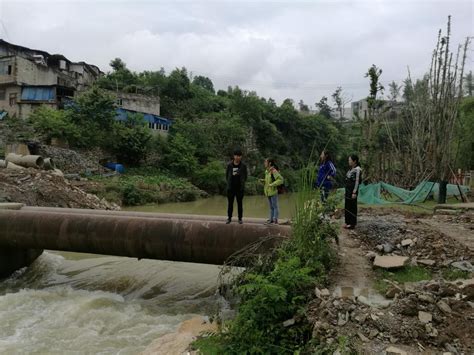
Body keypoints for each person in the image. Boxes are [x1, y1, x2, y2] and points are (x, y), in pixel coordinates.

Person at [225, 149, 248, 224]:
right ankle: (229, 218)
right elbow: (227, 176)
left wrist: (242, 183)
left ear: (241, 157)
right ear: (233, 156)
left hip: (239, 188)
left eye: (239, 156)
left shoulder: (243, 166)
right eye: (236, 155)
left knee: (240, 204)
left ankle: (240, 218)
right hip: (231, 188)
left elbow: (245, 176)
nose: (237, 157)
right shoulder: (229, 165)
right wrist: (229, 184)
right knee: (230, 204)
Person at [263, 158, 284, 225]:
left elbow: (281, 180)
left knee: (275, 206)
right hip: (268, 192)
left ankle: (275, 220)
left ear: (270, 163)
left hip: (273, 191)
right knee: (271, 207)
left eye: (266, 162)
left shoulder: (273, 170)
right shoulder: (267, 171)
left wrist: (272, 184)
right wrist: (263, 181)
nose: (264, 163)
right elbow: (268, 181)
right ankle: (271, 219)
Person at [344, 154, 362, 229]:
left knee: (352, 207)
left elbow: (357, 181)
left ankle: (352, 223)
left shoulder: (358, 169)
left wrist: (354, 192)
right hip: (348, 190)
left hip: (352, 191)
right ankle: (347, 222)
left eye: (350, 160)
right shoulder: (350, 169)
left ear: (354, 161)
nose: (349, 161)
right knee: (347, 206)